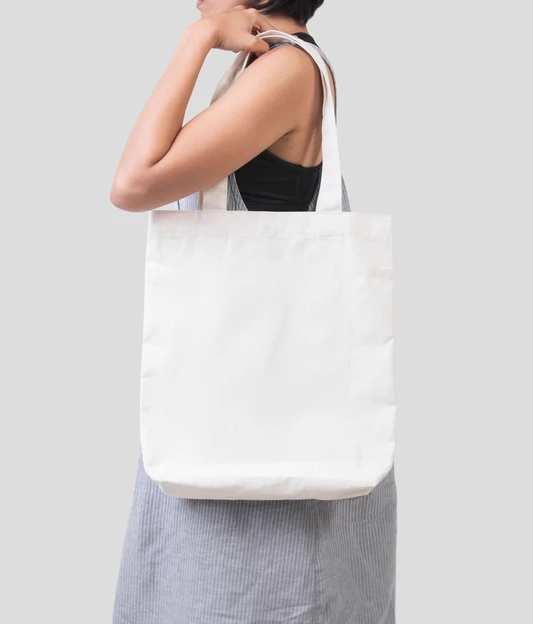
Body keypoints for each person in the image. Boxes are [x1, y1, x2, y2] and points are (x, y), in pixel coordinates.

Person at [110, 1, 397, 622]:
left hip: (260, 448)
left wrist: (200, 37)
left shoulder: (286, 71)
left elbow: (135, 182)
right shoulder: (265, 64)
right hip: (245, 417)